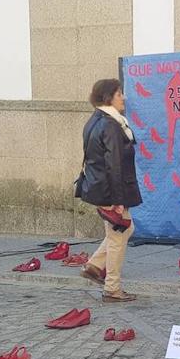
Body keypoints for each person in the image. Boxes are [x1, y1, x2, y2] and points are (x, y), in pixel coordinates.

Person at [76, 78, 141, 301]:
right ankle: (112, 289)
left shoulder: (95, 120)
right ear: (108, 98)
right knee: (117, 236)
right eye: (119, 93)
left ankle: (94, 265)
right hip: (109, 191)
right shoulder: (111, 125)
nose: (123, 97)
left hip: (100, 188)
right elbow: (115, 165)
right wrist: (118, 200)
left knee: (125, 229)